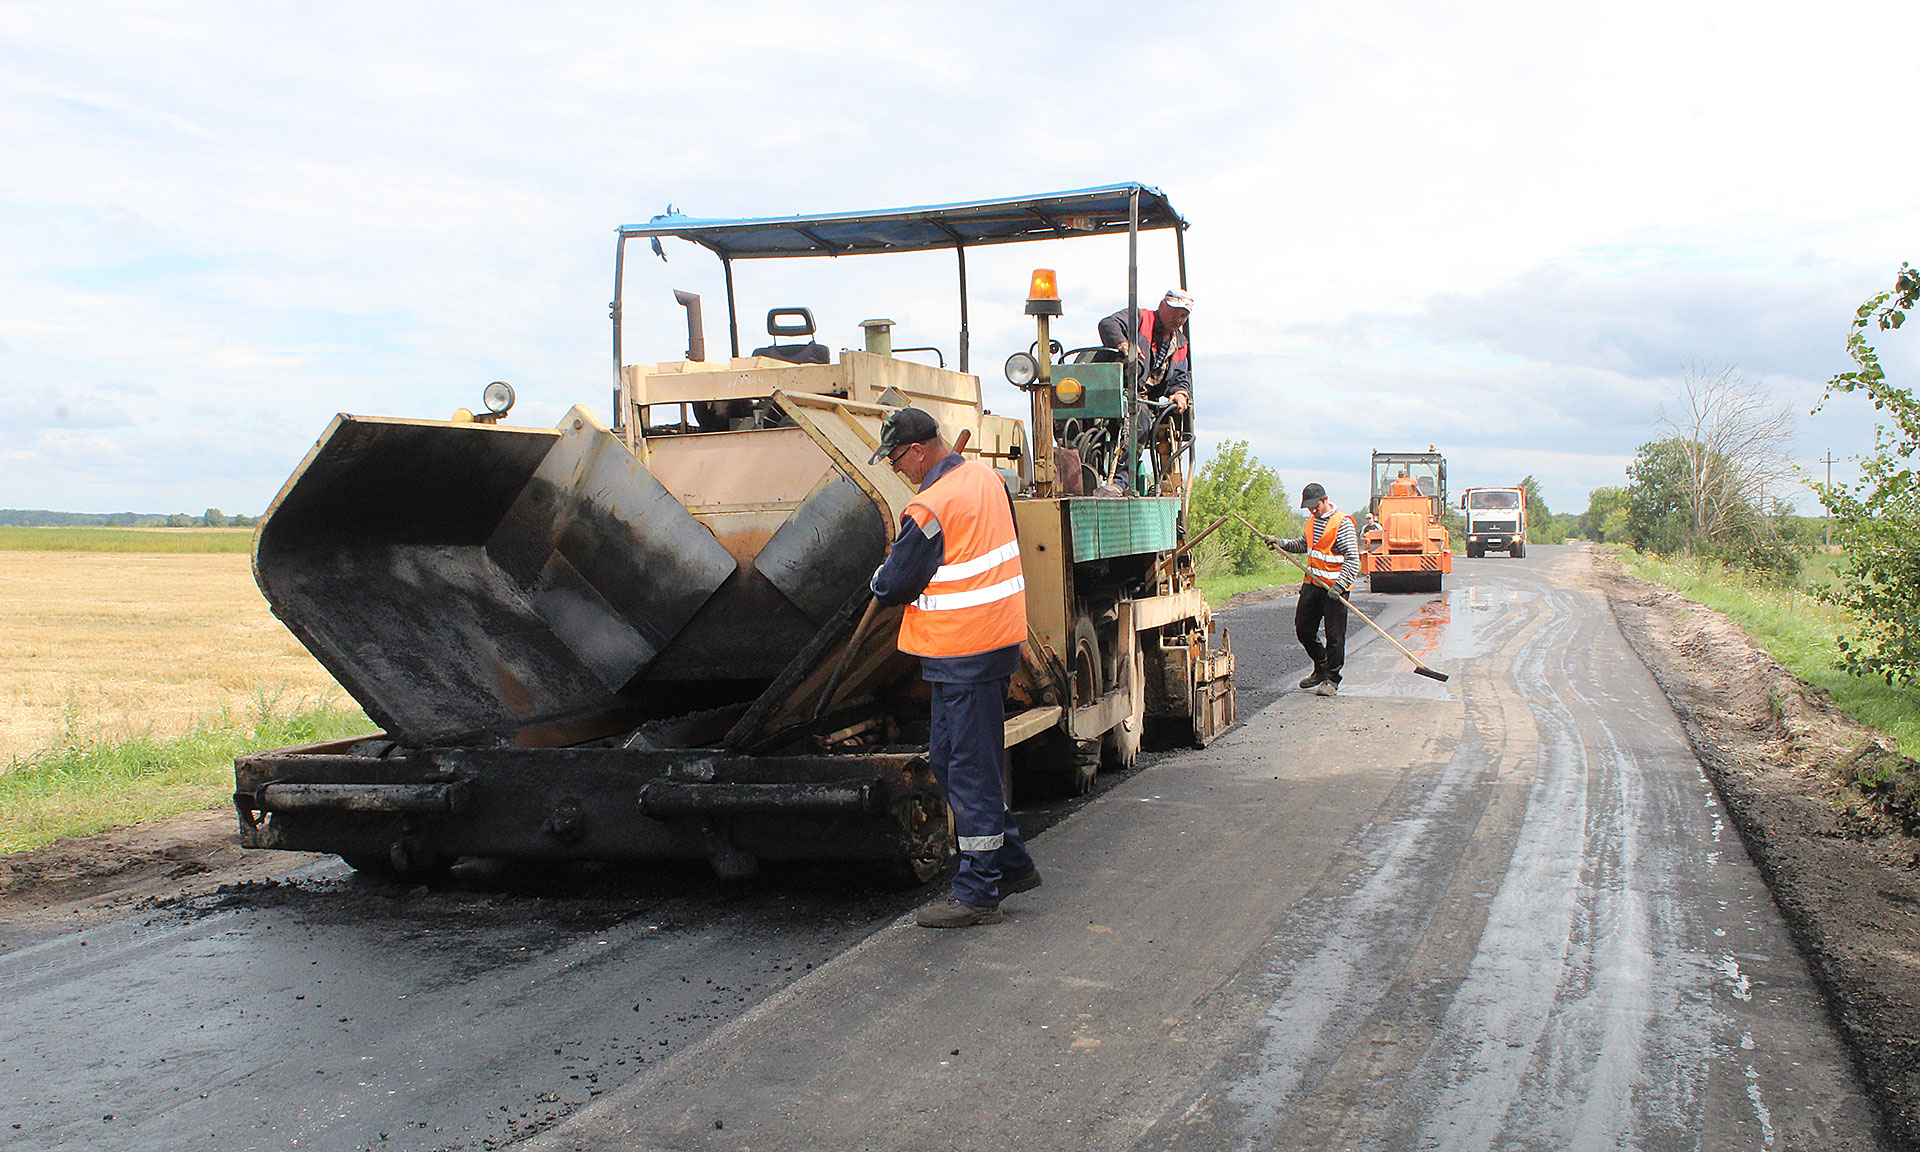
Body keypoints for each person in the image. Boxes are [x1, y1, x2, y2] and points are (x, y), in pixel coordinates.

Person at [867, 407, 1042, 928]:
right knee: (951, 759)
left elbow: (895, 583)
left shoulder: (930, 506)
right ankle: (1009, 865)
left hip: (963, 650)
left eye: (897, 459)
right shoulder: (987, 480)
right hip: (987, 644)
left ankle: (978, 892)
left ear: (918, 450)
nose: (898, 469)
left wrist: (879, 575)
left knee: (968, 769)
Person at [1270, 482, 1361, 696]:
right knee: (1304, 629)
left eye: (1315, 506)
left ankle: (1331, 679)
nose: (1312, 510)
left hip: (1335, 590)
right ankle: (1321, 667)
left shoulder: (1342, 523)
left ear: (1325, 500)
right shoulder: (1311, 522)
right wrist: (1280, 542)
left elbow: (1352, 559)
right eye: (1309, 507)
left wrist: (1339, 586)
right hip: (1312, 586)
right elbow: (1303, 545)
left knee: (1335, 637)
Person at [1097, 289, 1192, 412]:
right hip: (1111, 390)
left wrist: (1181, 393)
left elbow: (1179, 377)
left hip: (1146, 401)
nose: (1178, 319)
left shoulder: (1180, 344)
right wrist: (1123, 343)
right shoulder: (1141, 318)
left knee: (1150, 414)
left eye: (1183, 315)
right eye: (1174, 312)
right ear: (1161, 305)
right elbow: (1108, 324)